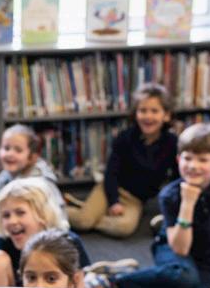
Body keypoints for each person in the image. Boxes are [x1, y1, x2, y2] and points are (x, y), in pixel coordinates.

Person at [85, 123, 210, 288]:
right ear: (178, 160)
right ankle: (114, 281)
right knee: (185, 276)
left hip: (209, 261)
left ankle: (140, 277)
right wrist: (188, 203)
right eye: (187, 158)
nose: (193, 166)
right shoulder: (170, 194)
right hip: (173, 248)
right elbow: (180, 249)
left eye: (203, 160)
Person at [66, 83, 178, 238]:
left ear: (166, 115)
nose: (148, 116)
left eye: (154, 111)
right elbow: (111, 172)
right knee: (83, 222)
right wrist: (113, 201)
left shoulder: (172, 143)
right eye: (143, 110)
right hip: (111, 188)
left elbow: (176, 177)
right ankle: (53, 211)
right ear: (135, 113)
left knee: (124, 228)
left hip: (135, 199)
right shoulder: (125, 138)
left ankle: (90, 213)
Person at [0, 124, 64, 262]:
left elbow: (48, 224)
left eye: (18, 150)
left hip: (36, 237)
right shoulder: (4, 176)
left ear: (32, 157)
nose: (10, 154)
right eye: (6, 148)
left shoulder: (40, 184)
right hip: (9, 228)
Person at [0, 178, 89, 288]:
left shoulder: (68, 242)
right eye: (6, 215)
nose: (12, 221)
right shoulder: (6, 243)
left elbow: (80, 287)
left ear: (42, 214)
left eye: (20, 213)